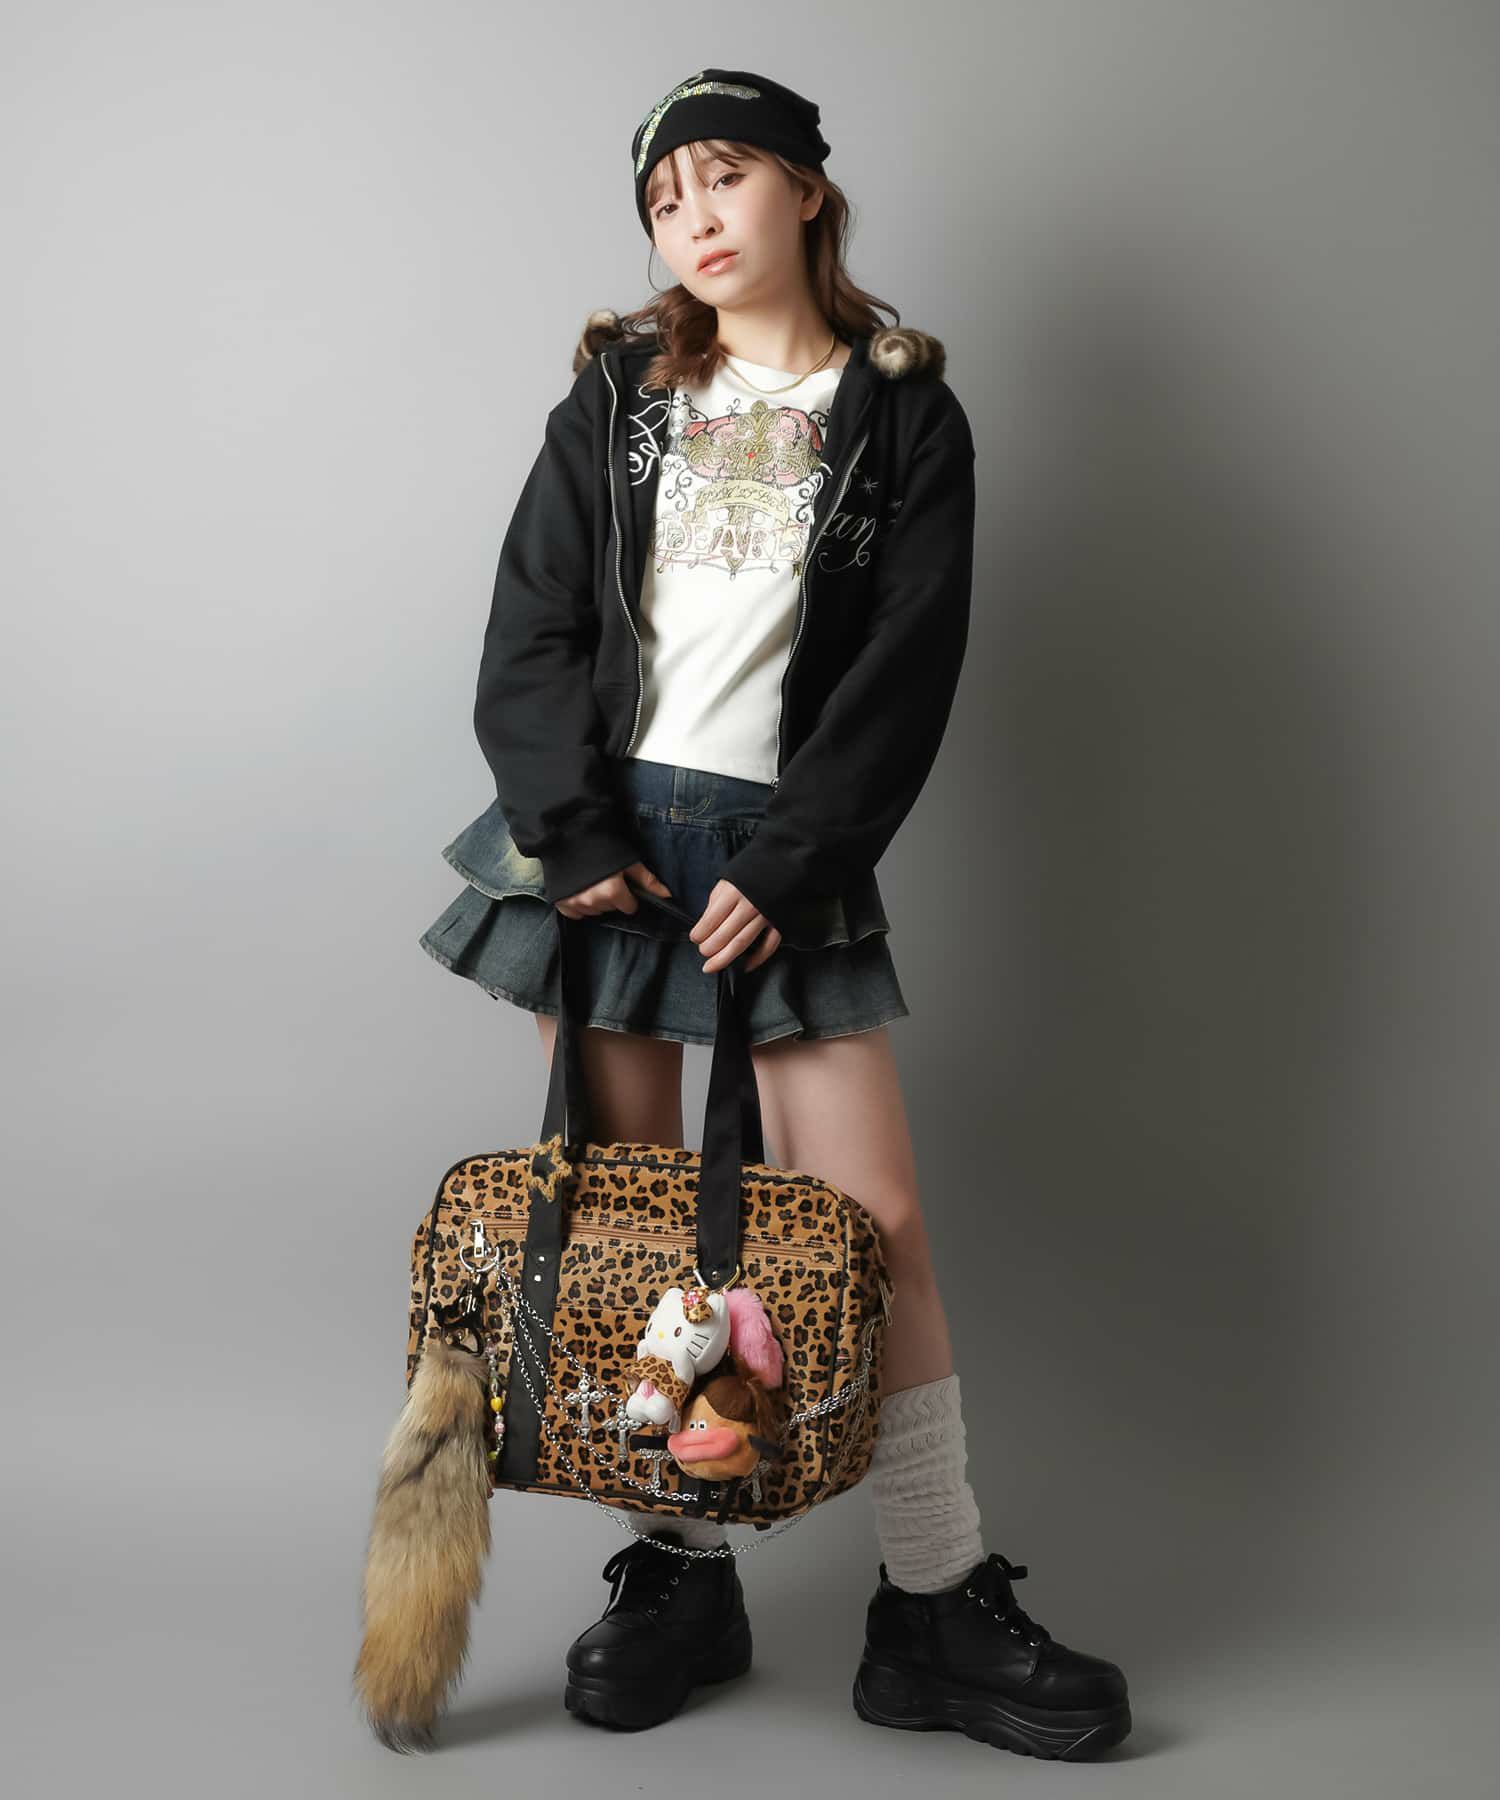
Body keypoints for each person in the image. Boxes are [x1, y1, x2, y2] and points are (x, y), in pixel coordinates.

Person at [418, 66, 1131, 1760]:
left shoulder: (905, 415)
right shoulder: (617, 393)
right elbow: (530, 626)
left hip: (778, 848)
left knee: (874, 1219)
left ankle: (934, 1599)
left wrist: (795, 862)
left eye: (725, 176)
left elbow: (905, 669)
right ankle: (680, 1573)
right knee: (638, 1216)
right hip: (609, 847)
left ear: (808, 190)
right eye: (665, 199)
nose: (696, 218)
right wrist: (571, 834)